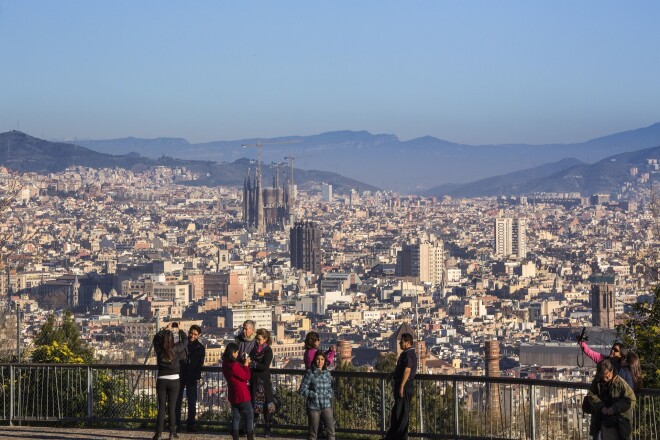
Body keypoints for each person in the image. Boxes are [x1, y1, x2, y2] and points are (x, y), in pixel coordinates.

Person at [585, 358, 636, 440]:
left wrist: (614, 408)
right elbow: (591, 394)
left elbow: (630, 399)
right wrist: (601, 407)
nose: (605, 379)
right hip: (600, 421)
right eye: (603, 376)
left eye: (607, 376)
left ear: (612, 371)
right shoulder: (597, 381)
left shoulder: (620, 383)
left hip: (618, 424)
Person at [153, 322, 188, 440]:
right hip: (174, 380)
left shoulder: (159, 350)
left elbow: (155, 339)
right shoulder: (176, 348)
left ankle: (158, 434)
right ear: (173, 339)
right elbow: (185, 342)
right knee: (171, 408)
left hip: (161, 379)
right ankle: (172, 433)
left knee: (161, 408)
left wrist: (164, 329)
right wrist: (180, 330)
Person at [381, 333, 417, 440]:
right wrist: (393, 374)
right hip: (403, 385)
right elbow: (403, 370)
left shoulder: (408, 354)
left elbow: (407, 370)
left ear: (407, 342)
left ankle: (400, 437)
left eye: (402, 342)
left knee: (401, 413)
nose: (400, 343)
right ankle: (393, 436)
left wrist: (401, 385)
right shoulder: (407, 353)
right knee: (397, 412)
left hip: (405, 386)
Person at [175, 324, 206, 432]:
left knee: (192, 401)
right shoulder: (184, 344)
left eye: (195, 334)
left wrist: (197, 374)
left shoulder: (200, 348)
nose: (192, 336)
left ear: (198, 335)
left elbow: (200, 363)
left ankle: (190, 425)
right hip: (181, 374)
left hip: (191, 376)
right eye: (191, 333)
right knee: (178, 401)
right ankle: (176, 424)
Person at [299, 353, 336, 440]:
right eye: (318, 359)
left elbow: (330, 387)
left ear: (325, 361)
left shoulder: (327, 373)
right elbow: (302, 389)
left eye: (322, 359)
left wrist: (329, 394)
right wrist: (314, 395)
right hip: (313, 406)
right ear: (315, 360)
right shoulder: (310, 373)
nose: (320, 361)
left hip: (326, 405)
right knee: (313, 433)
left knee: (331, 431)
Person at [222, 342, 254, 440]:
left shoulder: (225, 363)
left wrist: (241, 361)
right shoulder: (234, 365)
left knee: (236, 416)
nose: (237, 354)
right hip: (242, 393)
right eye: (236, 353)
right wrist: (246, 365)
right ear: (232, 353)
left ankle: (235, 438)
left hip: (233, 393)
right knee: (249, 416)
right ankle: (250, 437)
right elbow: (246, 377)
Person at [249, 328, 276, 437]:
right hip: (254, 381)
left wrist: (253, 363)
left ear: (265, 339)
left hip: (264, 383)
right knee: (254, 405)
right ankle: (252, 430)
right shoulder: (254, 349)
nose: (257, 341)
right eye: (256, 339)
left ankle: (267, 429)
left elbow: (265, 366)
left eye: (259, 339)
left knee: (266, 407)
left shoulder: (268, 351)